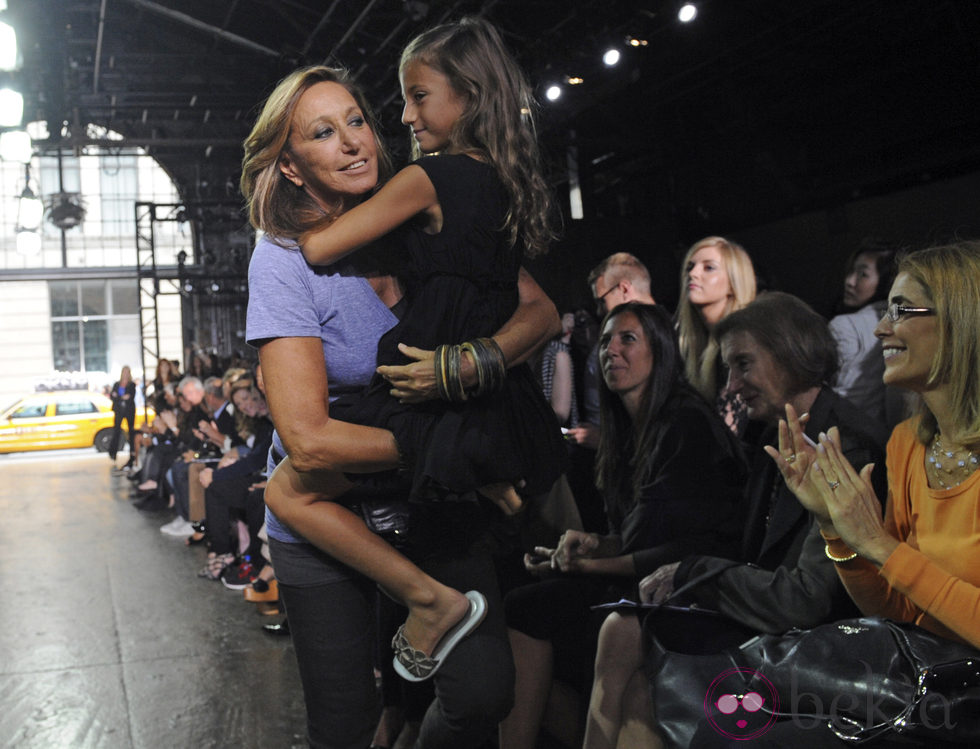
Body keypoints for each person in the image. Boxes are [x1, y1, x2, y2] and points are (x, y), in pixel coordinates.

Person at [242, 50, 560, 749]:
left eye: (355, 120)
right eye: (322, 132)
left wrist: (472, 362)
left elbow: (538, 311)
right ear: (290, 165)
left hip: (430, 502)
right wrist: (466, 446)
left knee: (483, 694)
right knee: (348, 726)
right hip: (333, 513)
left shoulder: (423, 212)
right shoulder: (285, 256)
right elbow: (309, 440)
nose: (352, 139)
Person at [581, 292, 889, 749]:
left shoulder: (843, 446)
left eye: (743, 365)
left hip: (826, 646)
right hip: (775, 623)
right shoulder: (778, 434)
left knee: (627, 632)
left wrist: (693, 572)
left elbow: (806, 601)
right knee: (632, 648)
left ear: (791, 354)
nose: (731, 385)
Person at [741, 241, 980, 746]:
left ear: (961, 319)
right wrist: (836, 528)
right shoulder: (907, 445)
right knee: (729, 726)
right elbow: (898, 611)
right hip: (932, 688)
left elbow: (895, 563)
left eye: (901, 310)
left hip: (962, 705)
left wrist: (880, 546)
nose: (879, 328)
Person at [499, 302, 747, 749]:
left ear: (662, 352)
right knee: (516, 609)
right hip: (646, 577)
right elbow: (637, 535)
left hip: (695, 587)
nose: (610, 350)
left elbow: (682, 546)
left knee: (528, 610)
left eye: (627, 339)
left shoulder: (685, 423)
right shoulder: (627, 430)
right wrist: (590, 543)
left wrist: (586, 566)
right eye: (606, 341)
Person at [676, 236, 756, 435]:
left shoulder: (742, 340)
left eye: (708, 267)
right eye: (690, 267)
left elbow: (727, 438)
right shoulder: (694, 343)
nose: (693, 274)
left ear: (733, 283)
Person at [829, 241, 901, 426]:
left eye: (863, 274)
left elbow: (846, 395)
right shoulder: (903, 319)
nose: (849, 281)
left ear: (886, 280)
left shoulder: (845, 325)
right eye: (851, 271)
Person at [108, 365, 137, 468]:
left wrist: (118, 397)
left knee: (131, 432)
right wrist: (122, 398)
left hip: (129, 411)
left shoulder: (132, 385)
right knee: (116, 431)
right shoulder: (116, 384)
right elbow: (113, 396)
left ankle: (132, 453)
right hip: (119, 411)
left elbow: (130, 397)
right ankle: (113, 452)